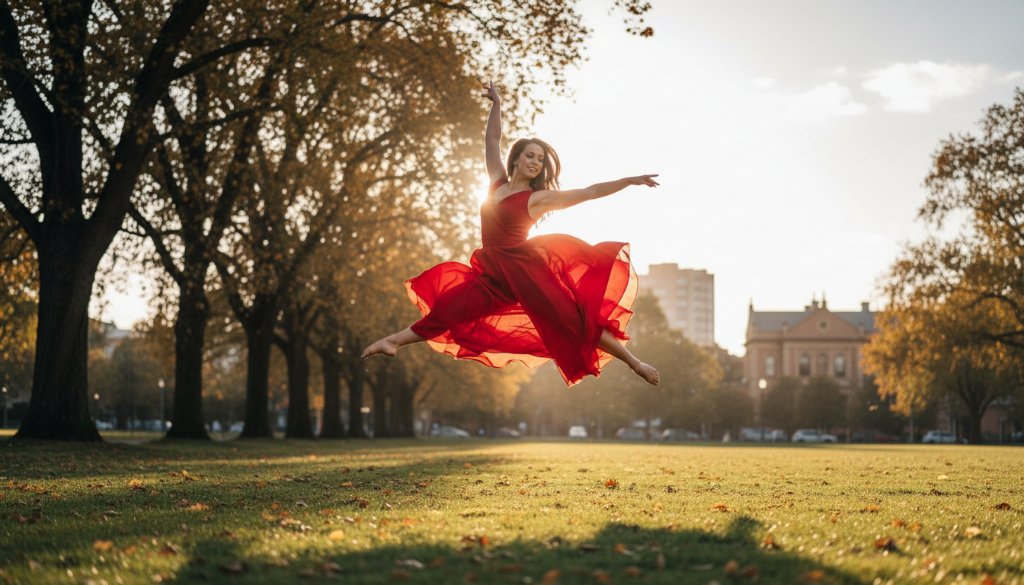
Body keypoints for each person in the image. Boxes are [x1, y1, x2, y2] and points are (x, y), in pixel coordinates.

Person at [362, 82, 660, 387]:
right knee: (451, 308)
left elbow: (589, 191)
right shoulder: (495, 183)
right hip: (493, 275)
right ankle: (393, 342)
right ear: (516, 158)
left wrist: (629, 180)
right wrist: (496, 105)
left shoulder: (538, 198)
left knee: (573, 321)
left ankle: (635, 363)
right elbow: (492, 139)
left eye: (540, 159)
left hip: (525, 271)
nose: (534, 163)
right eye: (530, 156)